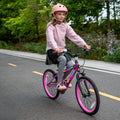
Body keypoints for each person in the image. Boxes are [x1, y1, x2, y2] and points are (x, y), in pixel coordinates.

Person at [46, 3, 91, 91]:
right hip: (52, 50)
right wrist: (55, 48)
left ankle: (64, 79)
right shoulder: (50, 26)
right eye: (59, 14)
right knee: (63, 59)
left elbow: (74, 36)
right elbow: (50, 39)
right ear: (54, 15)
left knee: (71, 65)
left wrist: (84, 44)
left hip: (62, 50)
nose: (61, 16)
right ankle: (59, 84)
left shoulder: (65, 26)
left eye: (63, 14)